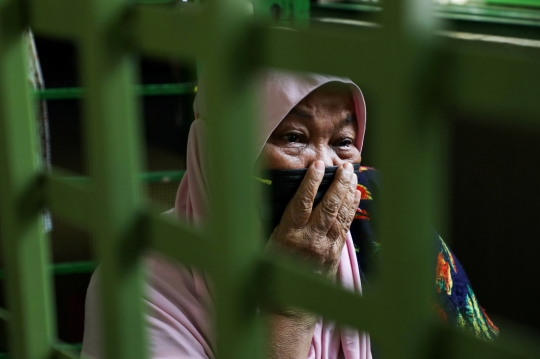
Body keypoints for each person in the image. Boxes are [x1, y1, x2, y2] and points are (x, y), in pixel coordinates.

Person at [82, 71, 498, 359]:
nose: (323, 166)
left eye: (344, 141)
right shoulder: (137, 281)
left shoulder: (377, 218)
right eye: (294, 137)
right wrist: (291, 306)